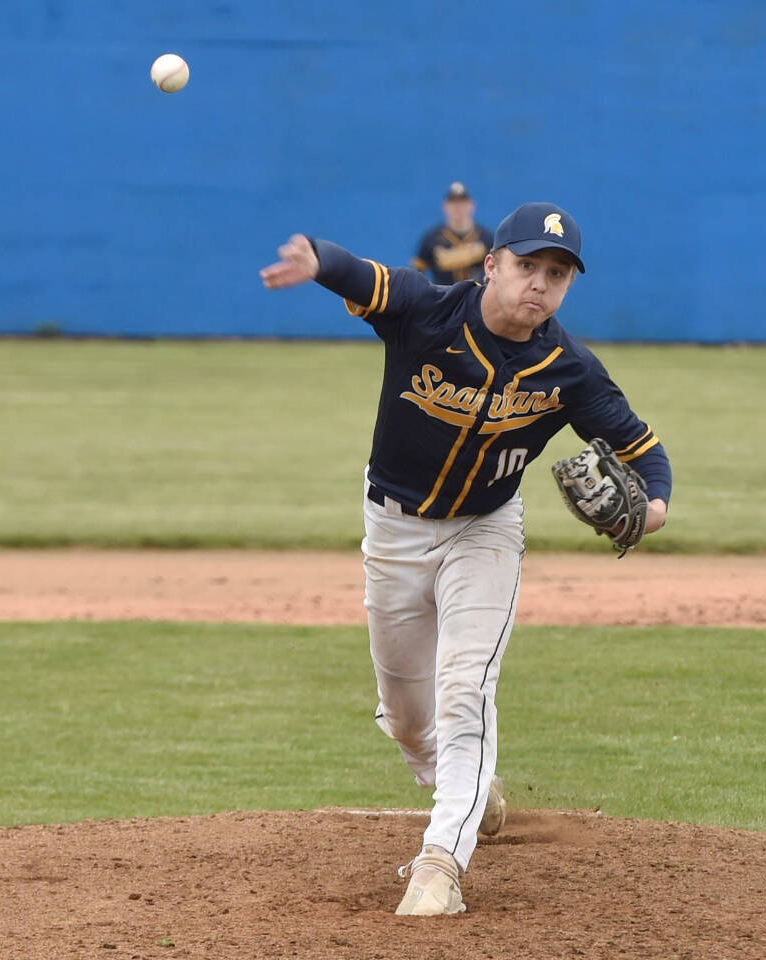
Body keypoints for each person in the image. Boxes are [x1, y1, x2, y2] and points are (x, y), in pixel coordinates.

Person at [260, 201, 671, 916]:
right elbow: (364, 275)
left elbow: (645, 452)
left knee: (464, 690)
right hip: (392, 532)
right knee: (407, 716)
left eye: (557, 274)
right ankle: (476, 795)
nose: (539, 284)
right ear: (491, 266)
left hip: (485, 533)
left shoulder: (568, 368)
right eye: (526, 266)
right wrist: (318, 262)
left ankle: (441, 863)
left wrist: (655, 506)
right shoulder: (429, 311)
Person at [412, 182, 494, 284]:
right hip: (442, 297)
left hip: (478, 297)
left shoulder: (486, 237)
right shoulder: (431, 238)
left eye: (462, 202)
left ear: (472, 205)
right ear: (445, 206)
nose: (458, 207)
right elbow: (416, 273)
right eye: (453, 203)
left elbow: (498, 271)